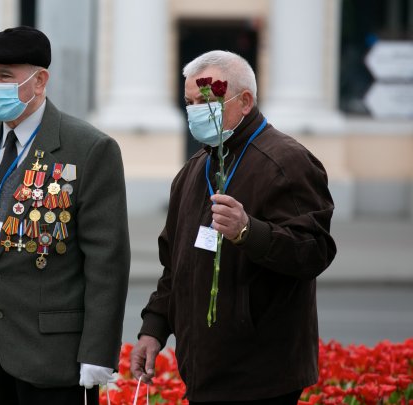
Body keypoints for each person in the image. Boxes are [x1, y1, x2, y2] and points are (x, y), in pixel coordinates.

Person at [0, 26, 130, 405]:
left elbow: (107, 262)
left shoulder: (89, 148)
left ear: (40, 81)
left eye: (5, 76)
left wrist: (98, 352)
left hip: (57, 359)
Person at [130, 50, 337, 404]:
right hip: (204, 371)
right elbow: (174, 267)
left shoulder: (286, 161)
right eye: (189, 102)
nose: (196, 110)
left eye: (207, 100)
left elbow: (314, 251)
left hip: (261, 376)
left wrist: (248, 232)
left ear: (245, 101)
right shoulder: (194, 169)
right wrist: (153, 329)